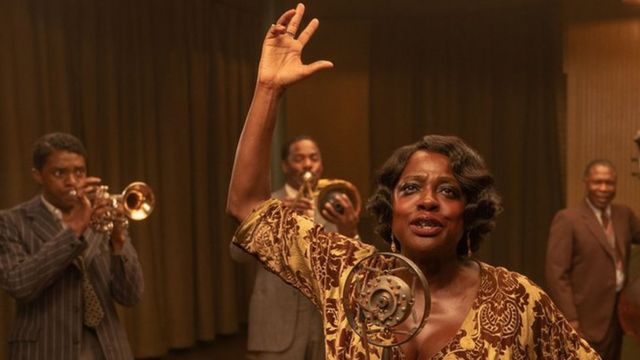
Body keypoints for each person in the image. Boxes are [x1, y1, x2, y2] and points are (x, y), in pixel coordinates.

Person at [226, 3, 598, 359]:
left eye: (448, 191)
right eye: (410, 188)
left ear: (470, 213)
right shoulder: (348, 275)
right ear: (392, 209)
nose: (428, 200)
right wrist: (269, 90)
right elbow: (248, 207)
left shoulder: (517, 299)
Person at [0, 132, 144, 359]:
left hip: (108, 349)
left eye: (79, 172)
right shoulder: (11, 221)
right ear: (38, 175)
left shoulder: (101, 216)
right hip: (46, 348)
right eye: (60, 173)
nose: (72, 181)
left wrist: (119, 242)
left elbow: (130, 296)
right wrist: (74, 229)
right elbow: (20, 285)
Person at [230, 135, 360, 360]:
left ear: (321, 164)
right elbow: (237, 255)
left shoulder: (334, 206)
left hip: (325, 324)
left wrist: (349, 231)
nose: (308, 164)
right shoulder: (266, 204)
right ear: (285, 166)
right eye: (299, 159)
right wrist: (273, 221)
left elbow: (354, 267)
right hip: (276, 323)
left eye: (314, 158)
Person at [546, 159, 640, 359]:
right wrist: (571, 318)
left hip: (618, 316)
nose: (604, 188)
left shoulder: (624, 215)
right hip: (584, 316)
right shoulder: (568, 219)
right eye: (597, 182)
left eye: (609, 183)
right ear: (586, 182)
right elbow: (556, 273)